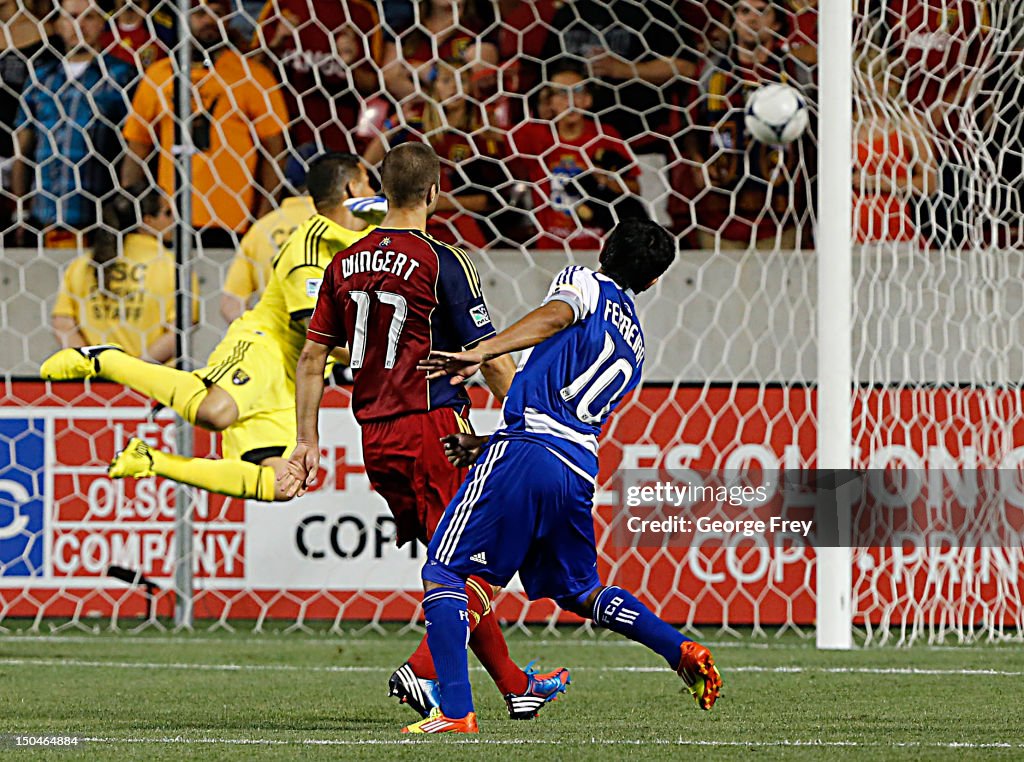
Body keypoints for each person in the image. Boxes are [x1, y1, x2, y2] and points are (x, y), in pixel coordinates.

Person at [280, 142, 570, 722]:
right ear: (435, 193)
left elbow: (311, 359)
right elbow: (487, 356)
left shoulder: (342, 262)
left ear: (381, 194)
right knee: (487, 555)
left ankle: (517, 687)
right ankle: (423, 669)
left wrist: (305, 440)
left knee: (452, 563)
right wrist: (530, 424)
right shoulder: (445, 261)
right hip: (436, 428)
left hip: (374, 436)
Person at [404, 219, 722, 733]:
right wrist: (488, 444)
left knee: (445, 574)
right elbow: (569, 414)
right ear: (654, 282)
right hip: (575, 469)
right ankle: (676, 648)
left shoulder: (584, 283)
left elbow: (557, 315)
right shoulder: (636, 344)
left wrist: (485, 349)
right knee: (580, 591)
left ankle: (456, 712)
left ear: (604, 248)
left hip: (528, 450)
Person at [39, 153, 373, 502]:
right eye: (368, 182)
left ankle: (151, 460)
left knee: (283, 485)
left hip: (295, 382)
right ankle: (105, 359)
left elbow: (231, 300)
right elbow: (316, 334)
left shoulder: (357, 238)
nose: (374, 190)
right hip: (267, 348)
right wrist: (389, 356)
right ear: (352, 187)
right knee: (215, 412)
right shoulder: (308, 247)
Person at [120, 0, 289, 247]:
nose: (209, 20)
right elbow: (137, 149)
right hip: (169, 222)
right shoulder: (159, 75)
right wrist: (133, 215)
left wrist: (264, 218)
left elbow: (275, 151)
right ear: (182, 17)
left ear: (230, 18)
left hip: (233, 221)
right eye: (199, 13)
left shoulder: (252, 76)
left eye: (217, 13)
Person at [680, 0, 805, 250]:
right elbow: (690, 126)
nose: (752, 19)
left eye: (762, 11)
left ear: (777, 22)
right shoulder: (712, 71)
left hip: (779, 216)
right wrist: (696, 162)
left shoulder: (793, 72)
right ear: (733, 20)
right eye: (743, 11)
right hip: (719, 215)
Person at [11, 0, 137, 247]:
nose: (79, 25)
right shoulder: (40, 78)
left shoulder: (122, 76)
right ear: (58, 24)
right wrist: (20, 211)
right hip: (43, 218)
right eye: (71, 17)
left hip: (99, 220)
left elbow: (134, 147)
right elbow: (23, 150)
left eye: (89, 17)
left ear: (102, 22)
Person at [51, 186, 197, 362]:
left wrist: (93, 365)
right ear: (148, 221)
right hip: (154, 383)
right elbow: (179, 329)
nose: (174, 220)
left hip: (95, 384)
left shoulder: (82, 265)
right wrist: (136, 370)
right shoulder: (174, 267)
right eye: (167, 213)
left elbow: (63, 324)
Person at [509, 61, 645, 250]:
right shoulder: (535, 136)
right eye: (561, 93)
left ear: (588, 99)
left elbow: (635, 189)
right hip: (551, 250)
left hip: (599, 249)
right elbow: (493, 137)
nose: (570, 100)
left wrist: (604, 181)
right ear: (549, 102)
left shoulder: (605, 136)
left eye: (578, 91)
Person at [254, 0, 382, 154]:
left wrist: (351, 63)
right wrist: (276, 43)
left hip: (339, 142)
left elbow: (374, 87)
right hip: (285, 141)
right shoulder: (280, 6)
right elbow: (249, 76)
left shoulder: (362, 13)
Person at [219, 146, 317, 323]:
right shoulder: (344, 224)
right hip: (331, 344)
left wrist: (260, 332)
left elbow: (230, 302)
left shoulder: (261, 228)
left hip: (277, 342)